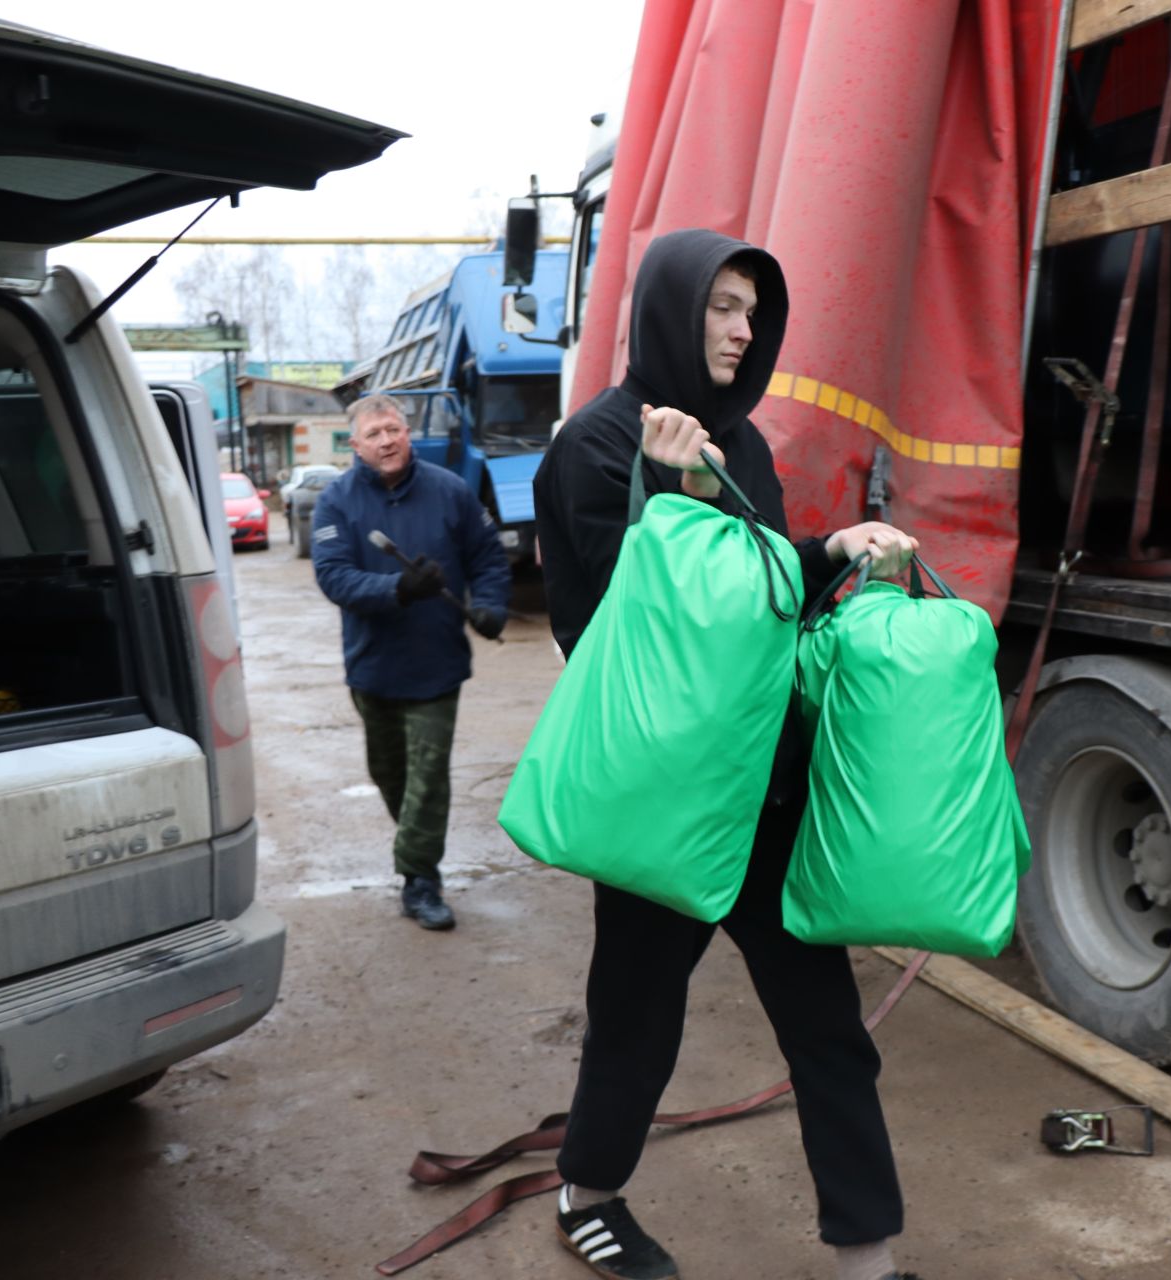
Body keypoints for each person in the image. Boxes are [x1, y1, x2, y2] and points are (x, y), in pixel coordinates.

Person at [532, 229, 923, 1280]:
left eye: (754, 311)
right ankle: (588, 1192)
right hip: (664, 796)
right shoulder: (596, 444)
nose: (745, 329)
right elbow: (638, 624)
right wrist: (680, 497)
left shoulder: (735, 443)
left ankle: (867, 1256)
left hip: (762, 784)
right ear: (670, 307)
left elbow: (760, 585)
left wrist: (835, 550)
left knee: (829, 1029)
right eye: (722, 306)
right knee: (637, 1017)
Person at [312, 393, 511, 931]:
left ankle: (420, 879)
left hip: (437, 666)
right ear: (355, 445)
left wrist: (490, 605)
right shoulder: (336, 503)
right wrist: (398, 587)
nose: (387, 441)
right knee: (391, 774)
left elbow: (488, 558)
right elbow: (334, 577)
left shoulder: (451, 492)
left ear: (408, 433)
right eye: (374, 434)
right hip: (372, 667)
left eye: (394, 429)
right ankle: (417, 846)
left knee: (428, 776)